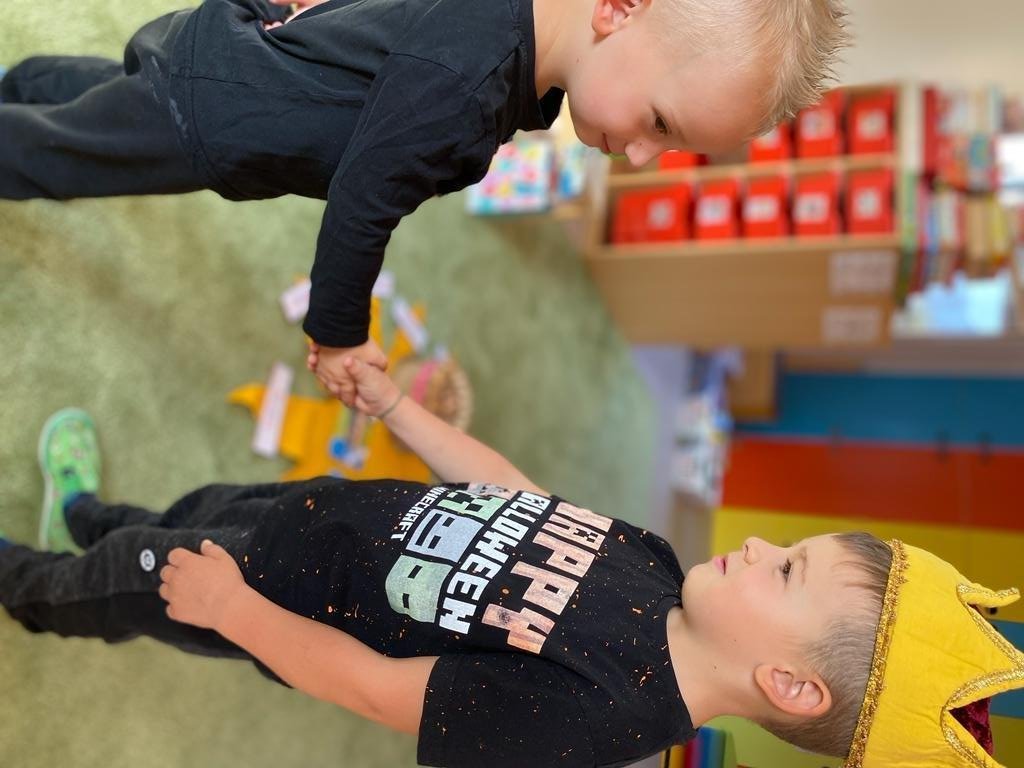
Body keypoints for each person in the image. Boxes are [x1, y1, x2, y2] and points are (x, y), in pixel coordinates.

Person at [3, 364, 1021, 767]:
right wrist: (401, 414)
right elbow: (510, 491)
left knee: (125, 579)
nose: (757, 546)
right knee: (178, 519)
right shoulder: (661, 567)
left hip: (277, 600)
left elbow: (373, 688)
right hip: (316, 515)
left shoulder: (595, 718)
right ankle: (85, 514)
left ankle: (28, 585)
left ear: (789, 685)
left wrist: (233, 611)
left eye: (785, 571)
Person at [0, 0, 850, 401]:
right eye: (659, 123)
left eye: (669, 146)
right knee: (57, 156)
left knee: (89, 102)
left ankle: (20, 85)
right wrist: (339, 330)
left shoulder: (510, 35)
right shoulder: (468, 87)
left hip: (234, 51)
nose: (639, 155)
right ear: (619, 10)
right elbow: (365, 198)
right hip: (220, 113)